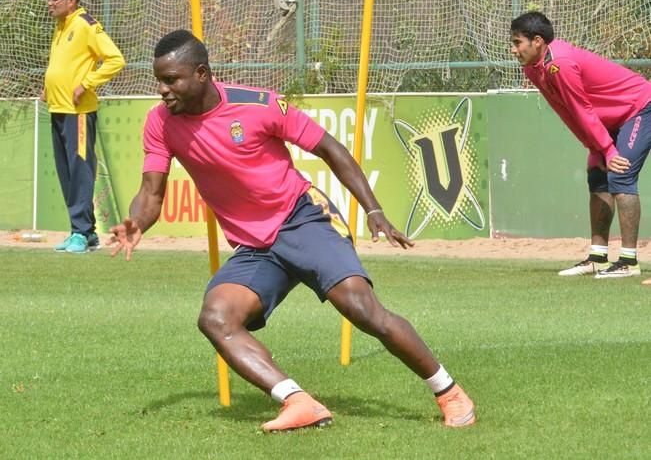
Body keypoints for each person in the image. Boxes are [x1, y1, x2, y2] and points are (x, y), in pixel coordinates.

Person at [108, 30, 476, 431]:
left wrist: (373, 209)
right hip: (255, 246)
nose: (162, 90)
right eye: (158, 80)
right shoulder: (160, 122)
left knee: (362, 309)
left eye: (171, 79)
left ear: (201, 73)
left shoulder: (259, 104)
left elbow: (330, 149)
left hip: (303, 218)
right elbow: (151, 191)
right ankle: (299, 402)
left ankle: (450, 392)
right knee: (216, 317)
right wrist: (137, 223)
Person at [510, 11, 651, 280]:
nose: (513, 49)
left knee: (620, 173)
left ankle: (629, 261)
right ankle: (598, 257)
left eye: (518, 42)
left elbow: (581, 108)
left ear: (537, 41)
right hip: (610, 118)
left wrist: (608, 150)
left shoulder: (560, 64)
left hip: (639, 107)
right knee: (597, 176)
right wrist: (594, 147)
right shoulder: (533, 69)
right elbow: (566, 111)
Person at [44, 0, 125, 253]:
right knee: (67, 174)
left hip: (78, 113)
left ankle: (80, 232)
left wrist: (87, 84)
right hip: (58, 108)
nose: (50, 4)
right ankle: (84, 233)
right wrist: (48, 88)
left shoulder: (85, 24)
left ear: (71, 1)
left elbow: (115, 59)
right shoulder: (60, 25)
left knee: (80, 172)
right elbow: (63, 66)